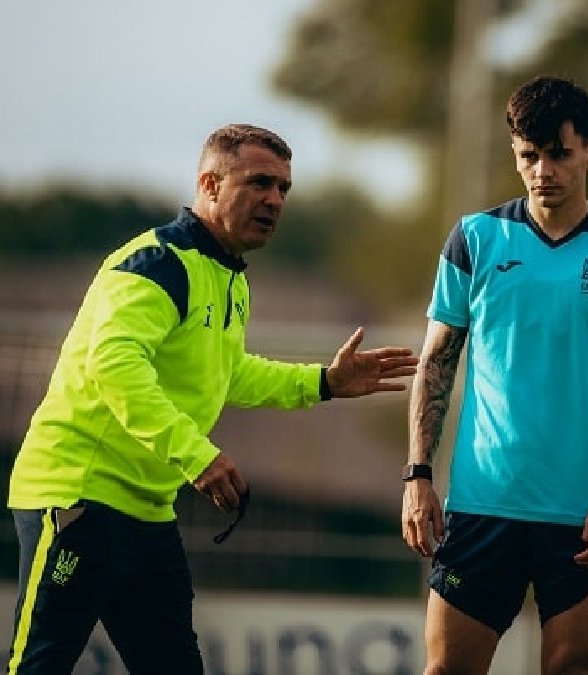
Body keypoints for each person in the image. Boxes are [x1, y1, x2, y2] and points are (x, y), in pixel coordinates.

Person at [5, 124, 419, 674]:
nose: (274, 200)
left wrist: (323, 382)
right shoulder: (156, 263)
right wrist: (196, 455)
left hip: (146, 512)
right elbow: (115, 366)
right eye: (259, 183)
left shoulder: (228, 276)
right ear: (210, 184)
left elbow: (228, 373)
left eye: (283, 188)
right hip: (78, 498)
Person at [400, 76, 588, 675]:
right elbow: (437, 363)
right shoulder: (475, 238)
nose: (543, 170)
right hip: (483, 503)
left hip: (581, 513)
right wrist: (417, 475)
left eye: (559, 154)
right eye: (529, 156)